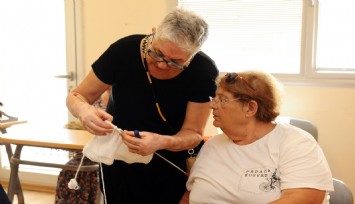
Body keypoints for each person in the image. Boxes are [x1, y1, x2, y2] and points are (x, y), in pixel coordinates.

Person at [66, 8, 219, 204]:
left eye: (176, 62)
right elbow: (76, 96)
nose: (163, 65)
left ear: (194, 54)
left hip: (170, 164)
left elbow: (194, 133)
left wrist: (161, 141)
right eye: (158, 54)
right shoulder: (124, 51)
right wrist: (84, 111)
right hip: (119, 160)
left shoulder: (202, 71)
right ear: (153, 32)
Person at [180, 71, 334, 204]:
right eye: (214, 98)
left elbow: (305, 199)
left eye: (223, 99)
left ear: (250, 108)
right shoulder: (212, 146)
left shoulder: (297, 143)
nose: (212, 105)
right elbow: (189, 196)